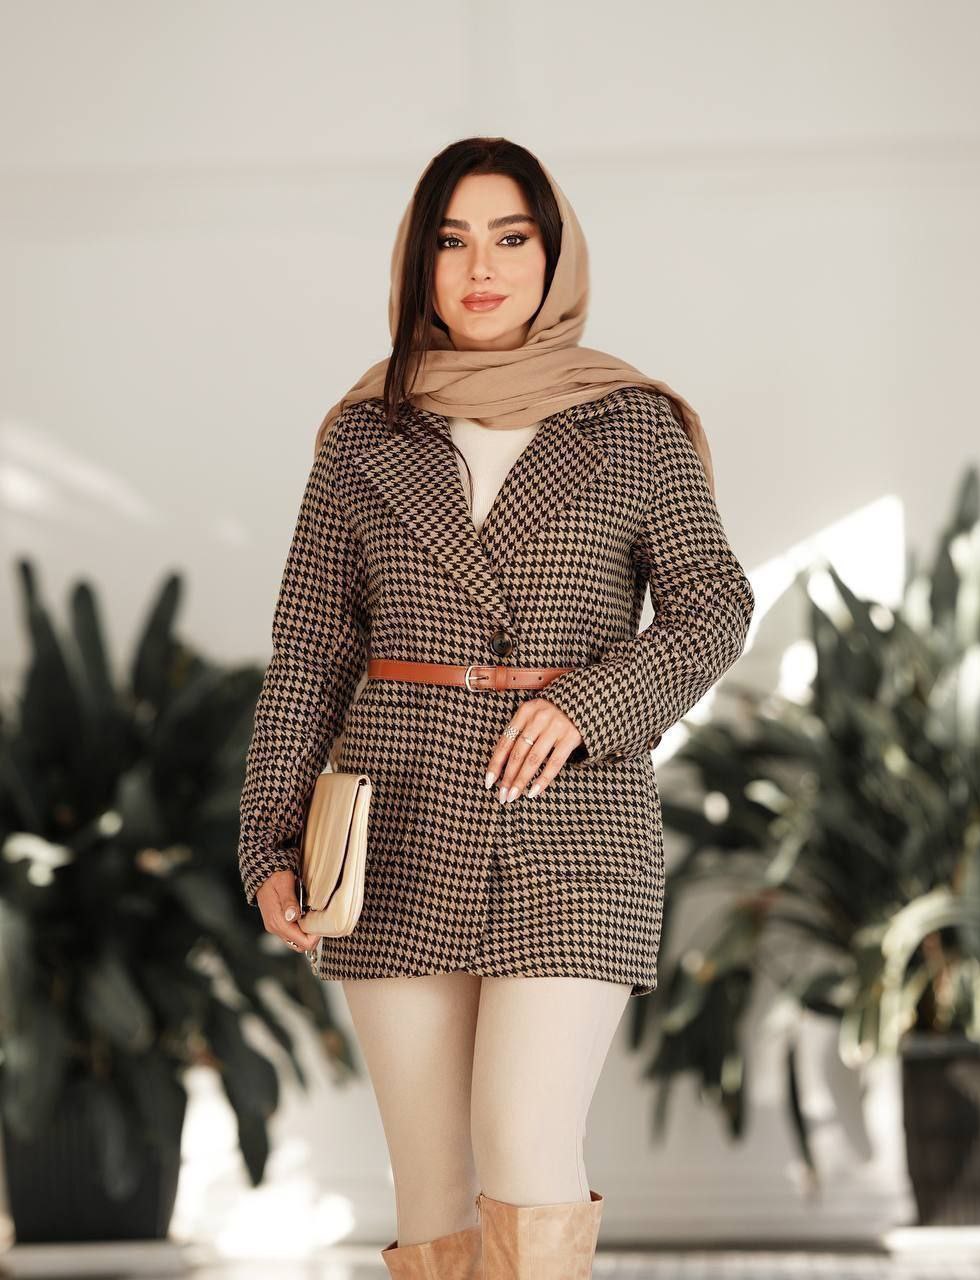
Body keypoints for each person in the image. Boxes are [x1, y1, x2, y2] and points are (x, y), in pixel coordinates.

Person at [237, 137, 755, 1278]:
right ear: (416, 263)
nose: (482, 268)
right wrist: (269, 837)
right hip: (394, 824)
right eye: (452, 240)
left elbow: (713, 605)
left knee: (524, 1141)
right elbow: (310, 650)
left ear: (552, 255)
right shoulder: (365, 434)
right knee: (431, 1185)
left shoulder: (632, 423)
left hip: (574, 820)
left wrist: (591, 703)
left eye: (511, 238)